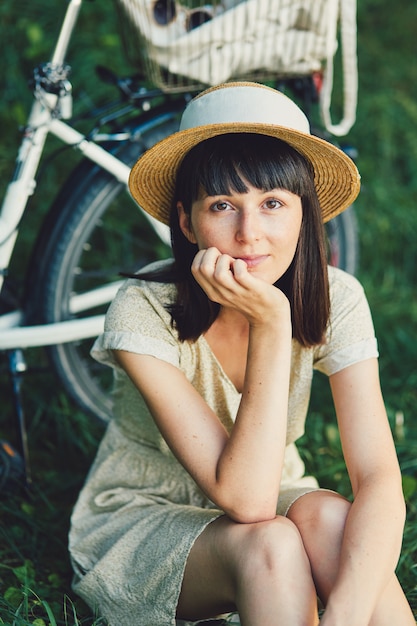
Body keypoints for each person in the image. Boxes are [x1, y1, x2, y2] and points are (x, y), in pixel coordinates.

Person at [69, 81, 415, 626]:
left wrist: (344, 613)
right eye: (223, 205)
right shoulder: (141, 310)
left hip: (273, 492)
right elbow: (246, 501)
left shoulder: (338, 296)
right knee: (270, 542)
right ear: (187, 222)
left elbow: (378, 478)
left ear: (306, 216)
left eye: (273, 204)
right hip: (147, 517)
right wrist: (272, 325)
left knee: (329, 516)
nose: (248, 234)